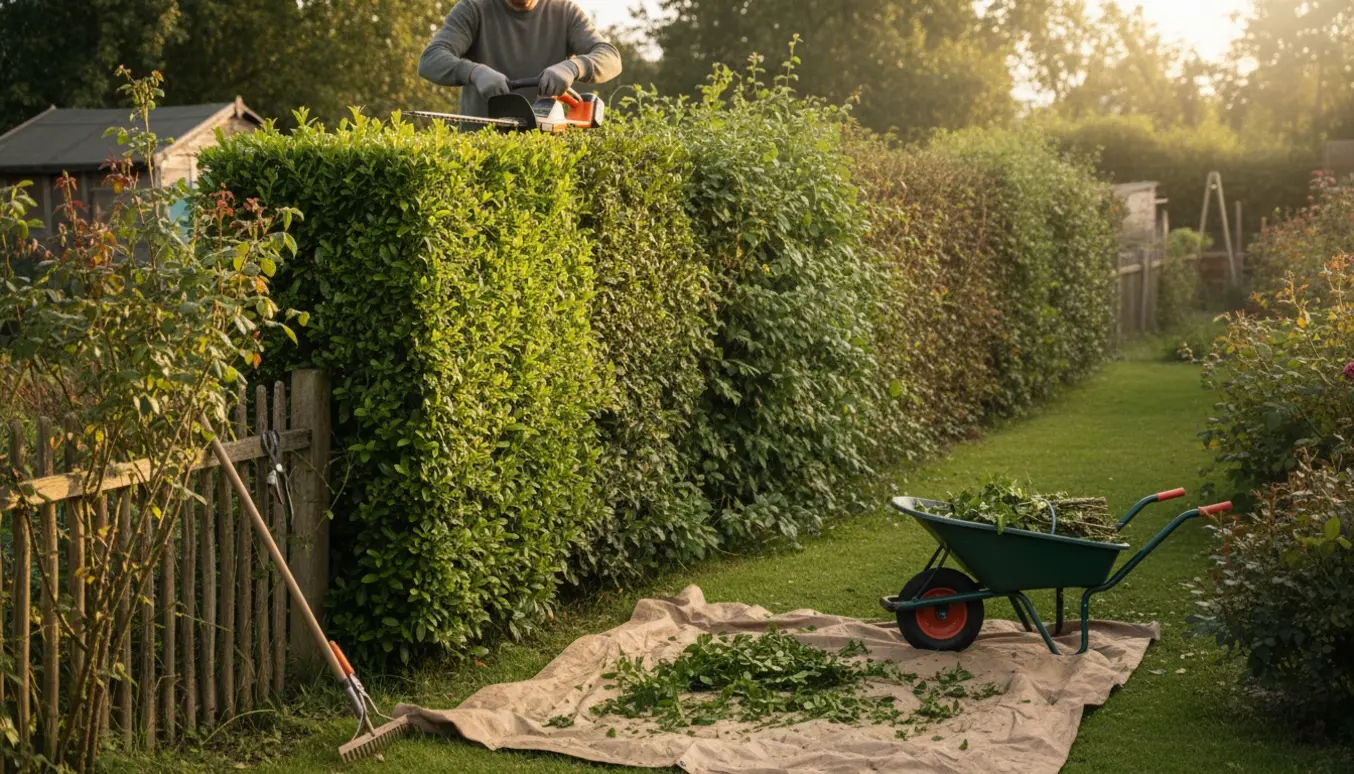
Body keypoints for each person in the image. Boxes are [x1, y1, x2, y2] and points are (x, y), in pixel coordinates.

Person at [418, 0, 623, 119]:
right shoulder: (473, 8)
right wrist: (474, 72)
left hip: (544, 155)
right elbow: (430, 59)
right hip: (479, 153)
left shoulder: (565, 11)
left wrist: (573, 67)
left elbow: (610, 57)